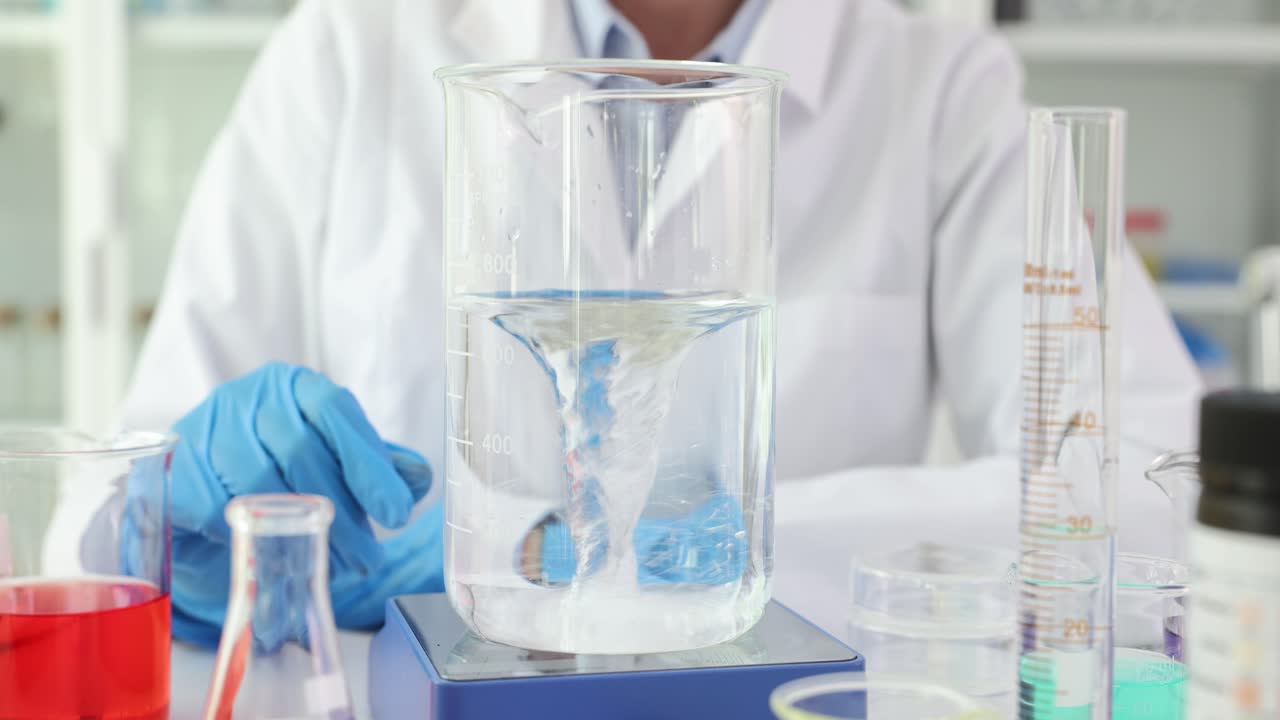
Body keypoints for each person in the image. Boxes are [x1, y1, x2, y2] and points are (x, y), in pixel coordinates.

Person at [122, 0, 1201, 644]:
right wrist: (171, 517)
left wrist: (609, 557)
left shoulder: (938, 87)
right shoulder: (353, 43)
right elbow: (127, 494)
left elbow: (1148, 488)